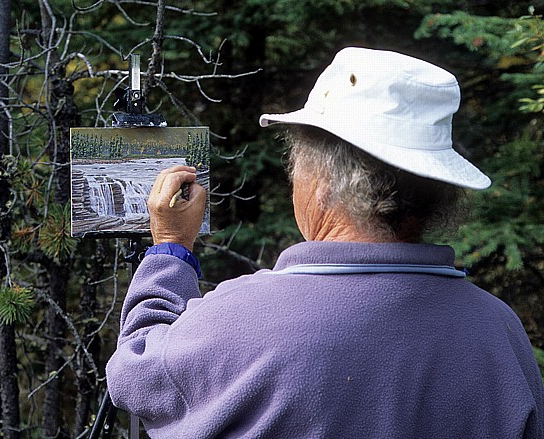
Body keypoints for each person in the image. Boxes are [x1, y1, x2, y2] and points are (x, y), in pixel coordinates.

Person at [106, 47, 544, 438]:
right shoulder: (499, 332)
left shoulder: (242, 319)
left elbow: (137, 371)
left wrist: (170, 248)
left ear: (323, 183)